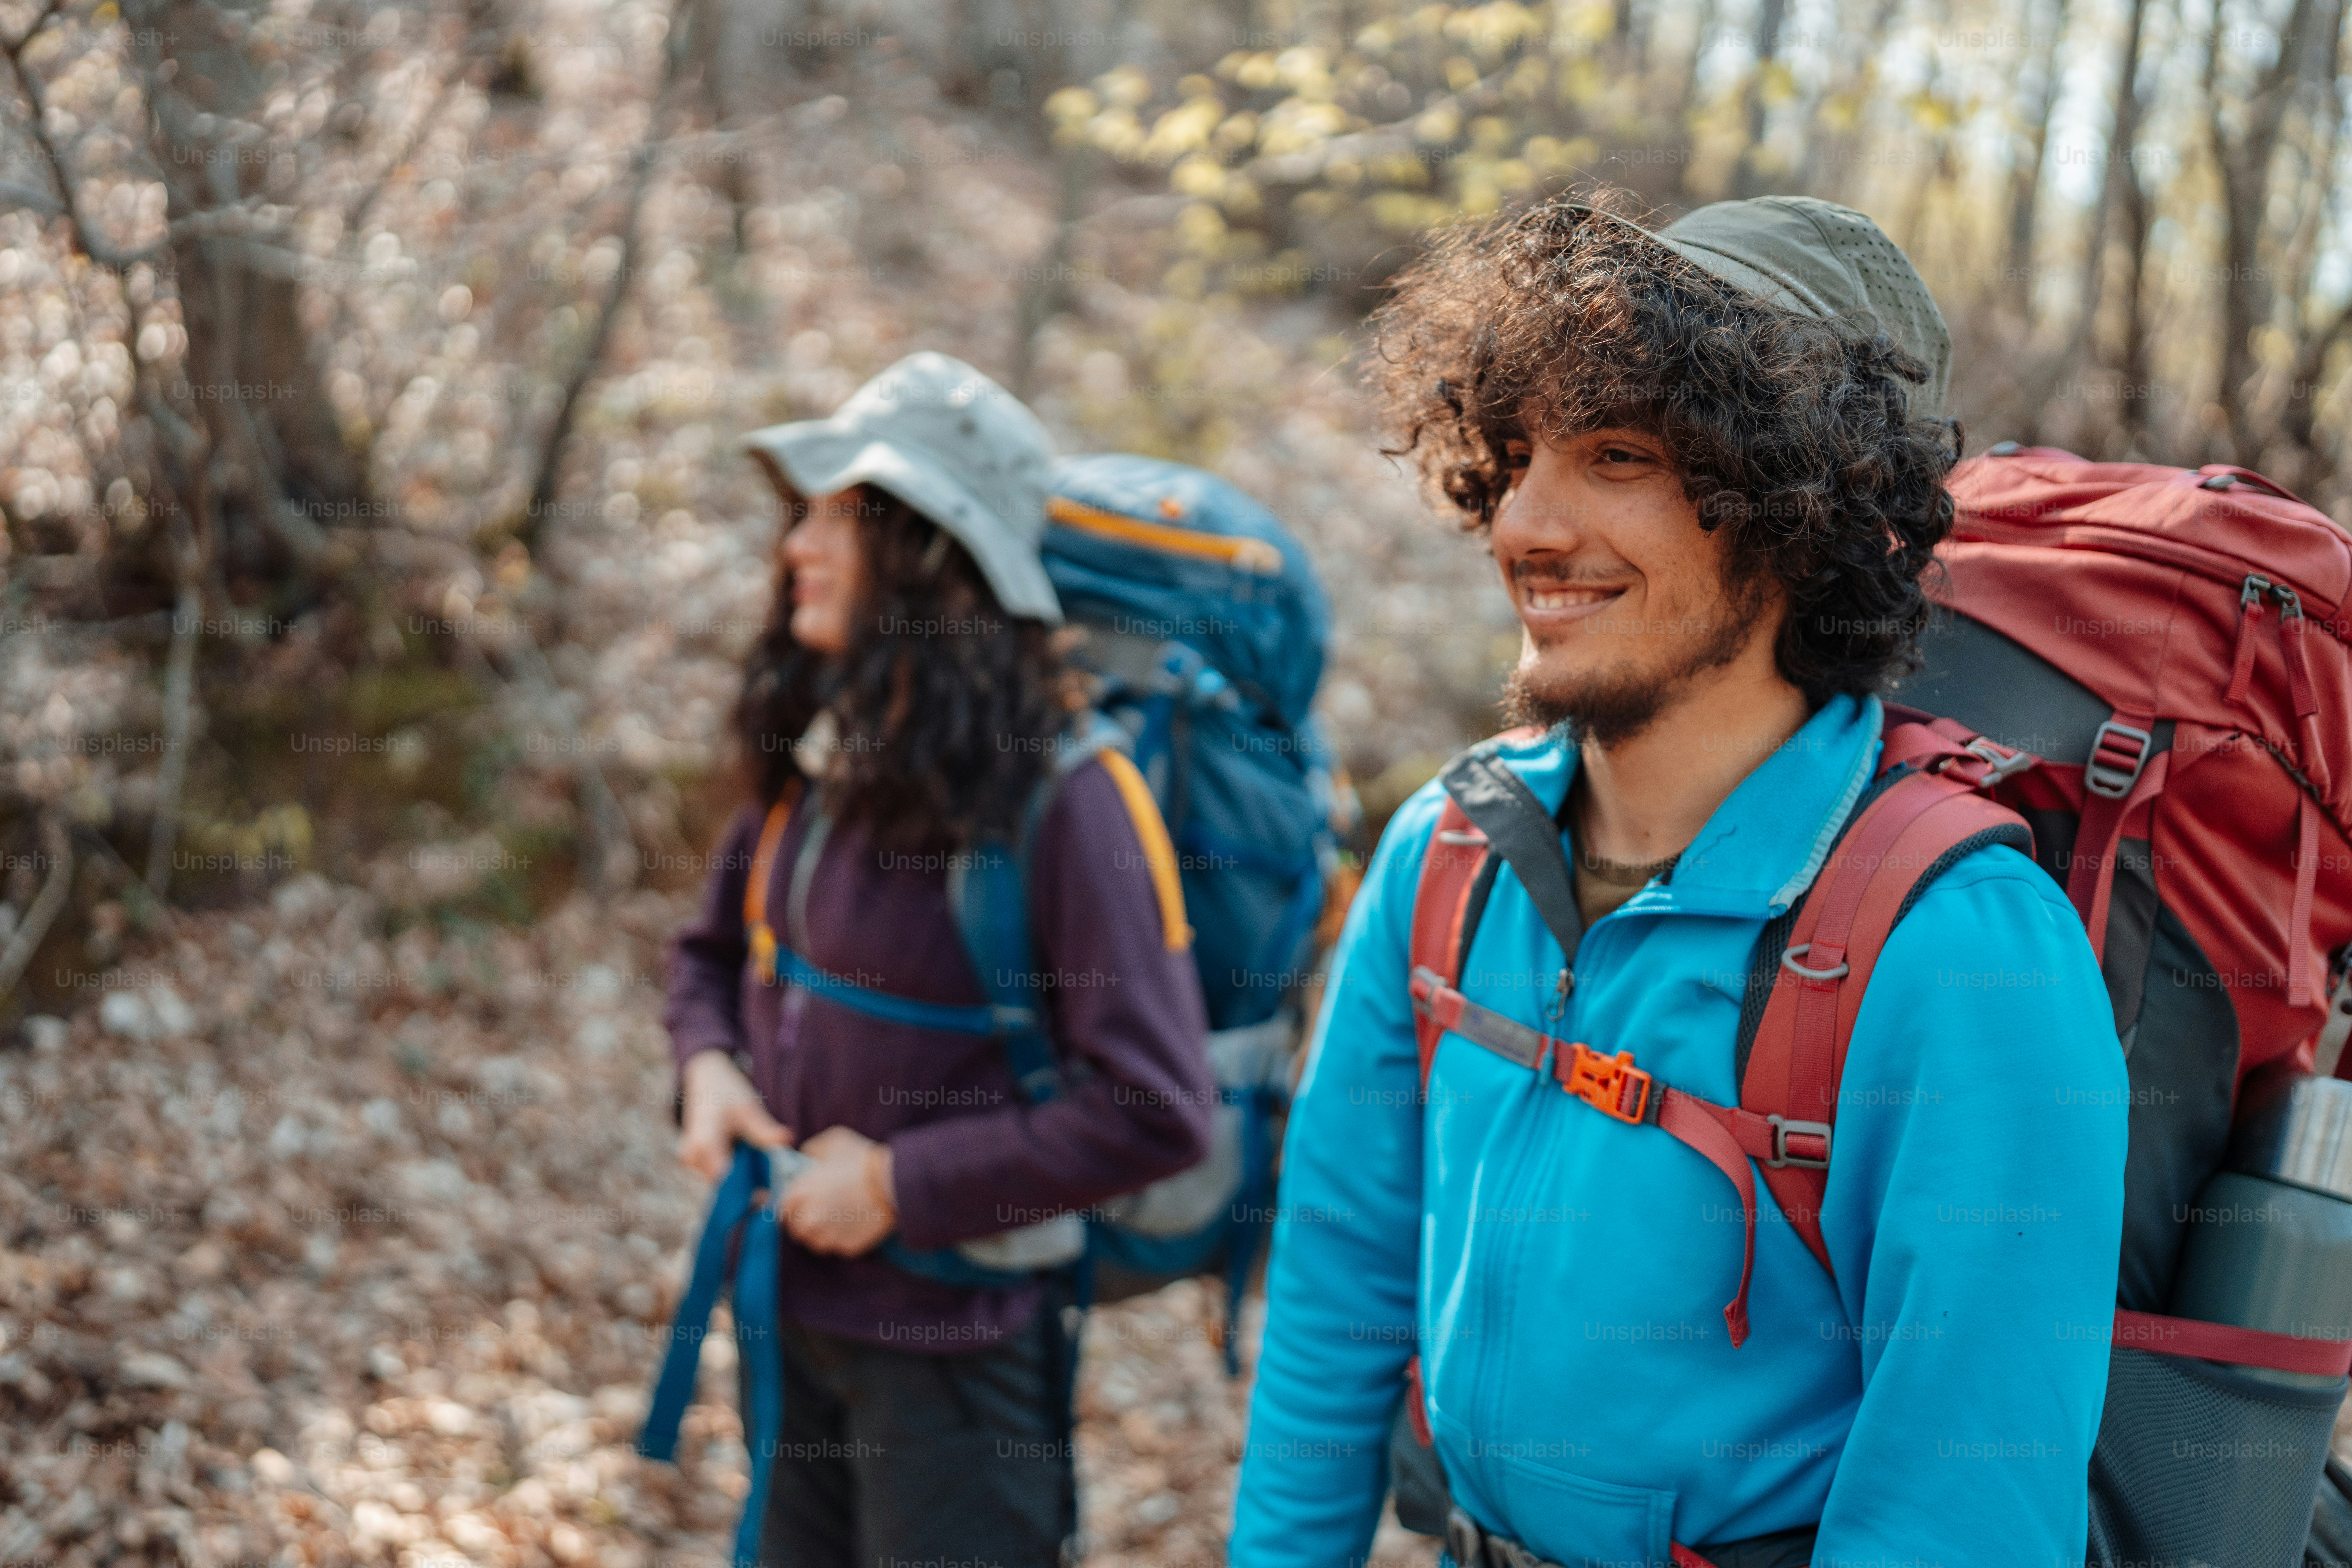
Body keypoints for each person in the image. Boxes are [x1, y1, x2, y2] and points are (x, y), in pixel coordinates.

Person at [1230, 195, 2129, 1566]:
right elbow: (1336, 1295)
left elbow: (1962, 1512)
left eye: (1618, 454)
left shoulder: (1957, 944)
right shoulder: (1446, 851)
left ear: (1800, 507)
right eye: (1519, 450)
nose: (1526, 519)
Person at [664, 351, 1214, 1568]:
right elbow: (708, 955)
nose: (794, 546)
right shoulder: (824, 753)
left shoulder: (1069, 801)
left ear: (925, 552)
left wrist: (902, 1187)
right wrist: (707, 1070)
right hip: (788, 1317)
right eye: (796, 512)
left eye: (833, 516)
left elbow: (1157, 1111)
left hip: (959, 1362)